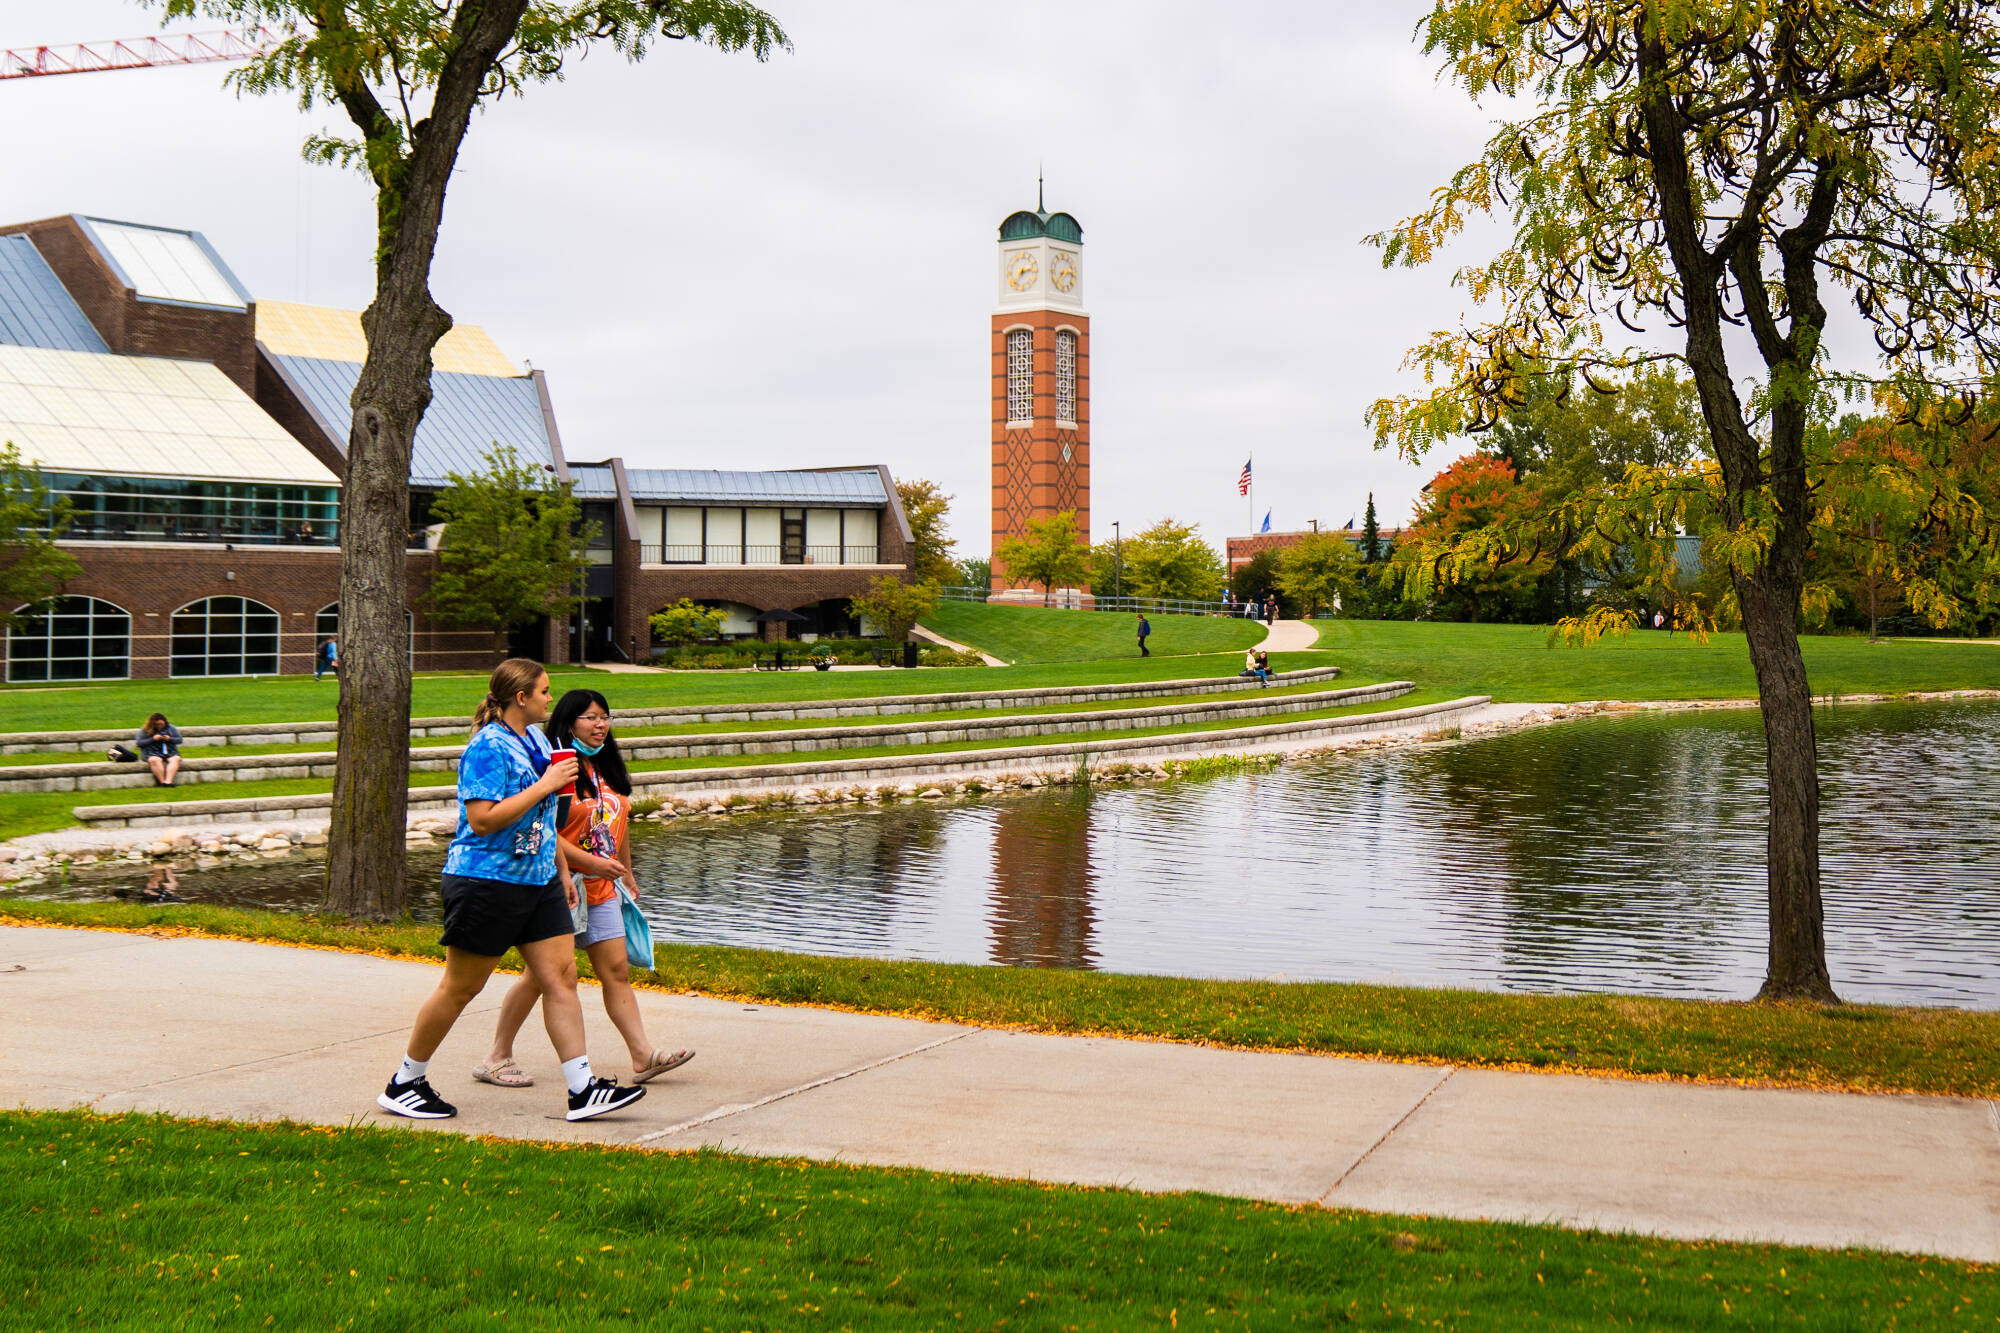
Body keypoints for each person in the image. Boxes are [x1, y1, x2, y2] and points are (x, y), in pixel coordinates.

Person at [376, 659, 646, 1123]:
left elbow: (542, 819)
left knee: (561, 979)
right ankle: (405, 1082)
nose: (549, 698)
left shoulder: (537, 739)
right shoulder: (486, 748)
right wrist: (546, 784)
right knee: (460, 988)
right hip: (487, 882)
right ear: (521, 698)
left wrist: (560, 870)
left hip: (538, 881)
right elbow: (481, 820)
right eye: (543, 691)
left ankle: (583, 1090)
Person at [476, 689, 694, 1090]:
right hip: (562, 884)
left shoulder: (605, 766)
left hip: (603, 887)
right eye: (591, 717)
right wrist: (590, 863)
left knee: (616, 971)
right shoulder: (558, 766)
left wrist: (625, 872)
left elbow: (619, 818)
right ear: (569, 721)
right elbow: (541, 829)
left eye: (605, 717)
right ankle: (496, 1056)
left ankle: (643, 1056)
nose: (601, 725)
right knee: (543, 978)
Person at [135, 713, 182, 787]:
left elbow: (179, 740)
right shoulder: (144, 730)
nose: (159, 726)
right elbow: (139, 743)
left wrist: (169, 739)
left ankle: (168, 782)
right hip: (150, 752)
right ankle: (162, 782)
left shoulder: (171, 728)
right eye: (157, 724)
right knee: (154, 760)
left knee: (176, 759)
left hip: (169, 751)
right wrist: (153, 739)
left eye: (161, 724)